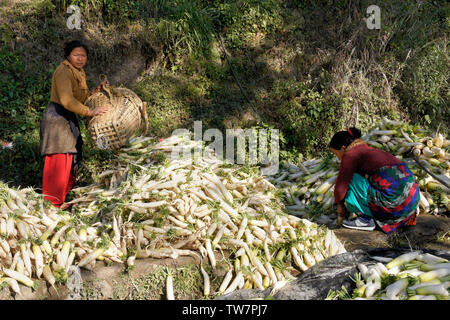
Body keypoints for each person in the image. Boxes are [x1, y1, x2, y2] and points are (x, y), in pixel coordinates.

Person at [40, 40, 109, 210]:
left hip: (68, 117)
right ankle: (52, 204)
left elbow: (81, 97)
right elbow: (67, 100)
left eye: (83, 55)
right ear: (68, 56)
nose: (80, 58)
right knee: (59, 157)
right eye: (76, 55)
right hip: (57, 119)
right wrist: (90, 112)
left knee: (71, 157)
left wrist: (96, 92)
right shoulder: (63, 71)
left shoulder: (79, 73)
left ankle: (59, 199)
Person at [329, 127, 419, 233]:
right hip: (411, 203)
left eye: (336, 154)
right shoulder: (367, 150)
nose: (339, 158)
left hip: (396, 204)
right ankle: (393, 216)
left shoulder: (350, 155)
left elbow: (340, 188)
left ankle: (365, 219)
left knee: (352, 179)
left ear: (343, 148)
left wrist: (340, 205)